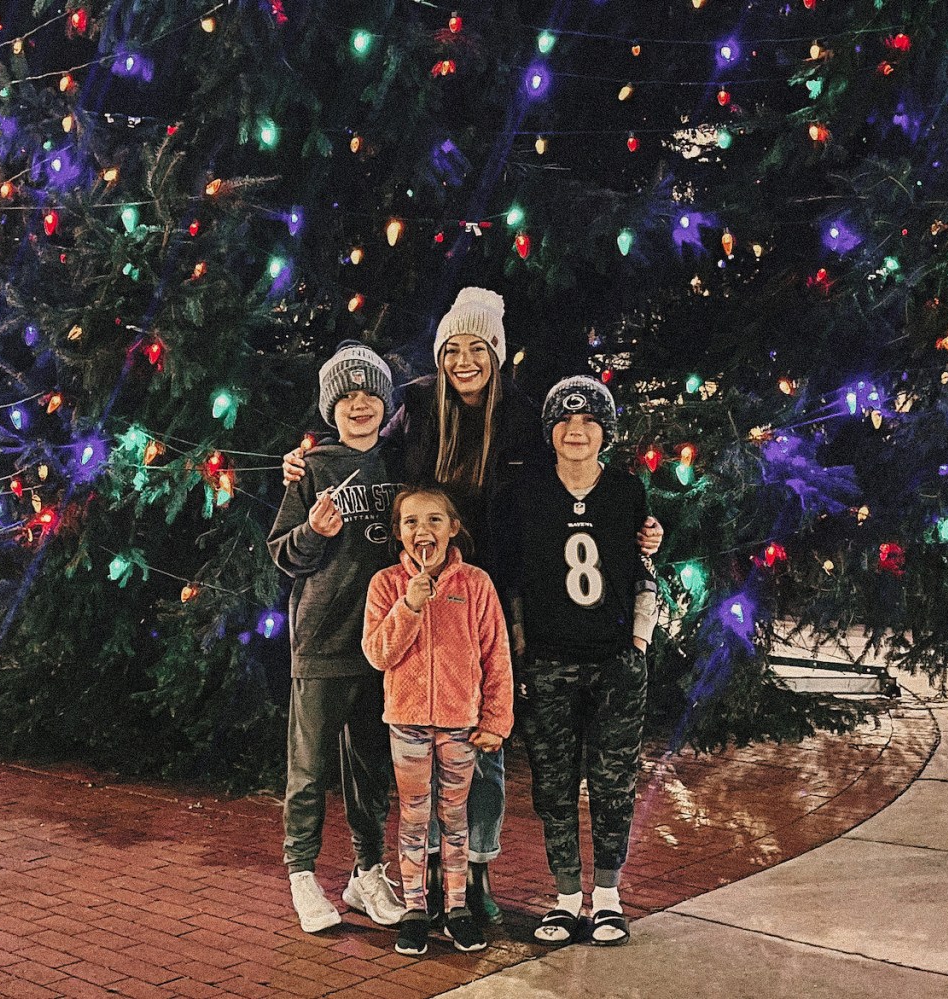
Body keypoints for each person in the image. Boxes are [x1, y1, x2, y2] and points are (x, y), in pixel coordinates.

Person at [283, 287, 665, 923]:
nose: (464, 360)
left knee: (477, 748)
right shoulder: (414, 404)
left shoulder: (519, 418)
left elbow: (575, 480)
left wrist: (640, 531)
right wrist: (307, 457)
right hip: (413, 587)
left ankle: (476, 869)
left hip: (485, 591)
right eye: (452, 348)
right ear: (439, 356)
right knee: (412, 745)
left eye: (478, 347)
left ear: (497, 354)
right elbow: (366, 449)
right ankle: (427, 873)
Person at [505, 375, 656, 948]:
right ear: (550, 432)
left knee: (615, 784)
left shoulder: (626, 491)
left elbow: (644, 571)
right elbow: (517, 580)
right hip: (549, 661)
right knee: (554, 785)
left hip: (614, 660)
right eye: (565, 421)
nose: (576, 430)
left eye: (589, 420)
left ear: (606, 432)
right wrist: (522, 647)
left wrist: (638, 644)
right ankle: (568, 897)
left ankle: (610, 897)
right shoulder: (526, 493)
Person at [266, 341, 405, 934]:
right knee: (310, 768)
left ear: (384, 402)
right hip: (322, 643)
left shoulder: (401, 465)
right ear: (330, 407)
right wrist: (313, 533)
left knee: (372, 768)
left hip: (384, 647)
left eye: (369, 393)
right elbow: (283, 554)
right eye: (346, 396)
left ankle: (366, 871)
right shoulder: (313, 467)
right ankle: (302, 875)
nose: (359, 405)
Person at [361, 486, 513, 956]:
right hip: (406, 723)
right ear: (398, 532)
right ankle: (414, 909)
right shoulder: (385, 584)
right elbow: (378, 653)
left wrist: (495, 718)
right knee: (412, 817)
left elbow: (496, 655)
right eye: (410, 522)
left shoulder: (476, 584)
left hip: (460, 724)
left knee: (454, 816)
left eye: (433, 520)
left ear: (452, 527)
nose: (422, 530)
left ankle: (458, 907)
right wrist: (409, 605)